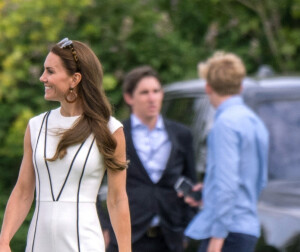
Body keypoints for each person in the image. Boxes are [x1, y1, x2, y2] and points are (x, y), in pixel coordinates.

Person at [0, 38, 131, 252]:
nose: (43, 78)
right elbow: (23, 190)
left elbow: (117, 200)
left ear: (75, 79)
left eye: (50, 71)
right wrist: (3, 241)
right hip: (37, 244)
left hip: (84, 244)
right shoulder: (35, 126)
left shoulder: (110, 130)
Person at [101, 65, 197, 252]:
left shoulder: (181, 135)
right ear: (129, 97)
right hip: (126, 238)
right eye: (144, 92)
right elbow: (93, 185)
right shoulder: (115, 135)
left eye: (156, 91)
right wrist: (104, 225)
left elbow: (191, 183)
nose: (152, 98)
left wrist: (186, 228)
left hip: (170, 239)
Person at [184, 52, 269, 252]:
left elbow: (228, 185)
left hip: (227, 233)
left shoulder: (225, 124)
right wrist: (208, 191)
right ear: (240, 87)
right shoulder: (255, 122)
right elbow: (260, 179)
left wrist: (217, 237)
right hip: (247, 228)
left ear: (208, 87)